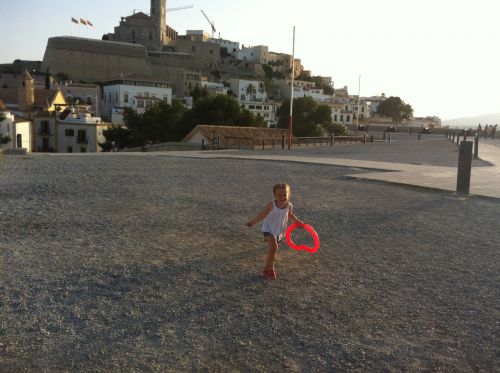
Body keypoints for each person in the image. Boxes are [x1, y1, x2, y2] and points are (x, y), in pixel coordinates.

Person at [246, 183, 303, 279]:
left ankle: (266, 268)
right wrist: (252, 222)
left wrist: (297, 221)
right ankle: (269, 269)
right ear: (274, 196)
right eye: (279, 195)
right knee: (274, 246)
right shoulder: (271, 205)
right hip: (268, 228)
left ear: (288, 195)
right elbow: (262, 215)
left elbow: (290, 214)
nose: (282, 197)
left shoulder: (289, 205)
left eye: (285, 195)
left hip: (279, 231)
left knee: (274, 248)